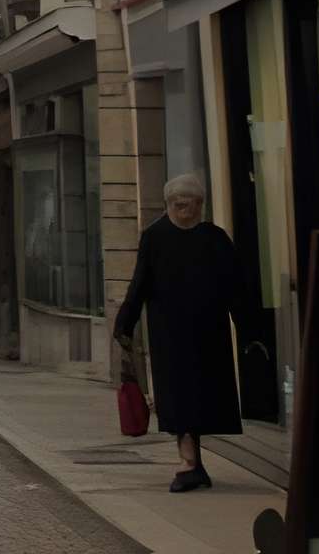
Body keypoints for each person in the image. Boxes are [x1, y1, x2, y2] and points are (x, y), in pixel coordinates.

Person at [112, 173, 248, 493]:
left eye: (193, 205)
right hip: (170, 335)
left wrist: (249, 327)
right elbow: (140, 283)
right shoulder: (154, 237)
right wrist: (124, 324)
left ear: (201, 206)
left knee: (201, 398)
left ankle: (194, 463)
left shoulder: (215, 238)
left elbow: (235, 287)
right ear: (169, 205)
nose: (187, 211)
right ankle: (188, 463)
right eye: (180, 205)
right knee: (179, 398)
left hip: (208, 333)